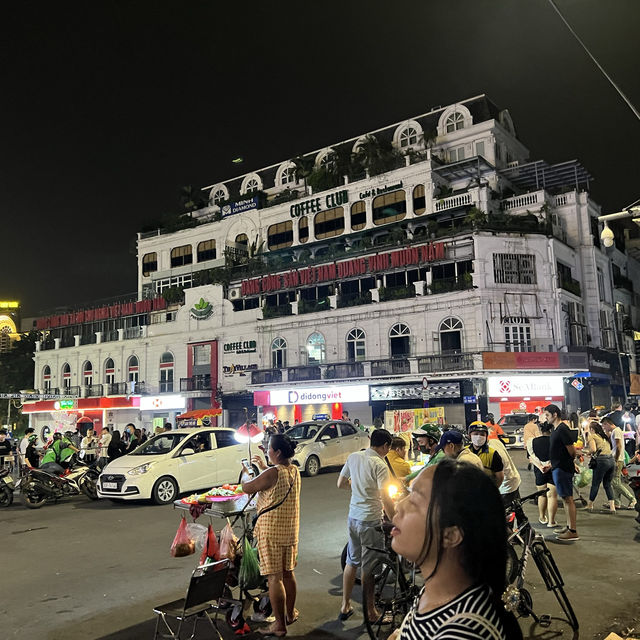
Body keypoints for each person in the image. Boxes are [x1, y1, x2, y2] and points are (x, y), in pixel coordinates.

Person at [389, 459, 522, 640]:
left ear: (450, 536)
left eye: (414, 501)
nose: (398, 506)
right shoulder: (435, 592)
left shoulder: (463, 632)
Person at [241, 434, 301, 638]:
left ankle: (279, 626)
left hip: (271, 531)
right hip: (290, 530)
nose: (267, 450)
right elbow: (274, 477)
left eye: (269, 449)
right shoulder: (293, 470)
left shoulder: (273, 473)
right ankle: (290, 614)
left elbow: (247, 487)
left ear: (277, 452)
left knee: (274, 578)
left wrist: (246, 474)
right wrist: (264, 465)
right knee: (288, 573)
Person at [337, 429, 395, 624]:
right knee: (369, 568)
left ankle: (345, 605)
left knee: (352, 561)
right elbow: (386, 497)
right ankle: (371, 612)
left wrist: (358, 491)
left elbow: (340, 483)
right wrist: (395, 519)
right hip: (370, 520)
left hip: (353, 517)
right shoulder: (379, 464)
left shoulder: (354, 457)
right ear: (385, 446)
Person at [545, 404, 579, 541]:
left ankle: (573, 530)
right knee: (565, 499)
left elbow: (572, 451)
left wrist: (566, 463)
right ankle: (569, 526)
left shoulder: (562, 429)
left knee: (568, 498)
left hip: (563, 469)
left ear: (555, 415)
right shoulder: (556, 430)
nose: (545, 418)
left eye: (547, 415)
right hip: (558, 467)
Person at [527, 421, 559, 527]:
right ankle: (551, 521)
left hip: (539, 470)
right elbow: (559, 456)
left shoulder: (532, 442)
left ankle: (542, 517)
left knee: (542, 495)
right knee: (552, 496)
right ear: (551, 430)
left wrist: (541, 467)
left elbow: (530, 458)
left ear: (540, 430)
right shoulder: (556, 441)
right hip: (553, 469)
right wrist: (549, 465)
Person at [602, 416, 637, 510]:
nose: (604, 428)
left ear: (607, 423)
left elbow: (619, 446)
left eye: (604, 426)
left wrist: (616, 459)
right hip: (617, 458)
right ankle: (617, 502)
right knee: (615, 481)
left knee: (615, 482)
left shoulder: (616, 431)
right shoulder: (615, 431)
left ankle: (632, 499)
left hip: (618, 459)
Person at [584, 421, 616, 513]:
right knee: (607, 484)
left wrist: (587, 452)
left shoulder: (592, 436)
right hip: (611, 460)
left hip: (602, 461)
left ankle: (590, 505)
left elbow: (593, 449)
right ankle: (612, 507)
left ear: (591, 429)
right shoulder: (604, 436)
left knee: (595, 484)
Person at [488, 436, 522, 508]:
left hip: (505, 486)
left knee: (506, 513)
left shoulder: (491, 450)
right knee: (516, 507)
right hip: (513, 480)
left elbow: (499, 476)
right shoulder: (495, 441)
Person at [466, 422, 504, 487]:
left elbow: (500, 477)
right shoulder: (465, 451)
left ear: (486, 436)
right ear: (470, 436)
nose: (479, 437)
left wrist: (493, 491)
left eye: (482, 434)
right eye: (476, 434)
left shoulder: (493, 454)